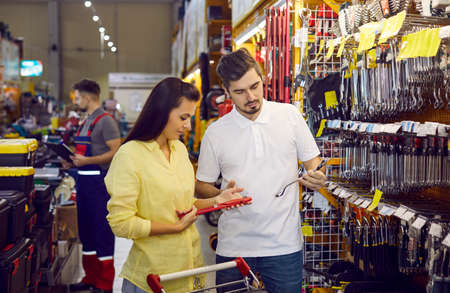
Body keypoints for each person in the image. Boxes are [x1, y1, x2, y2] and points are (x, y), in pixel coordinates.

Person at [195, 48, 327, 293]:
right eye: (240, 91)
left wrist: (317, 177)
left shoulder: (289, 116)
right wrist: (218, 197)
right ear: (226, 92)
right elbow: (201, 185)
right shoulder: (216, 133)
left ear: (262, 78)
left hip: (283, 246)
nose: (251, 96)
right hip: (233, 247)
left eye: (255, 86)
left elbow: (314, 164)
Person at [104, 77, 244, 293]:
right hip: (151, 280)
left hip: (189, 275)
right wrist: (174, 227)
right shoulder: (130, 155)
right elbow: (121, 223)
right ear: (161, 112)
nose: (188, 125)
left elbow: (187, 205)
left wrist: (218, 200)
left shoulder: (178, 150)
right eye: (183, 117)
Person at [65, 79, 121, 293]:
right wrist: (70, 160)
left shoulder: (106, 121)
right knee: (86, 233)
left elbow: (116, 151)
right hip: (83, 184)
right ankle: (90, 278)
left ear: (88, 97)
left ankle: (105, 284)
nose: (76, 101)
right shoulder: (86, 120)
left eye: (78, 97)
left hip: (99, 184)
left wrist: (86, 161)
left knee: (102, 233)